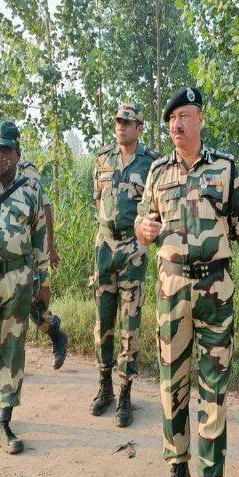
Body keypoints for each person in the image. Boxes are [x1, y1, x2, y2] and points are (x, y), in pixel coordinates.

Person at [136, 87, 239, 477]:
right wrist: (143, 229)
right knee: (172, 384)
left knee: (214, 388)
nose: (177, 124)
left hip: (217, 290)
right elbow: (143, 223)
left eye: (185, 116)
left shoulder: (225, 168)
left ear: (200, 119)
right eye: (172, 119)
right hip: (172, 289)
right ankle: (179, 476)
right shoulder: (157, 172)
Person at [0, 121, 50, 455]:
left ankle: (4, 421)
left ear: (18, 153)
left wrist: (44, 282)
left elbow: (40, 238)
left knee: (12, 349)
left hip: (18, 278)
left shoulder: (30, 188)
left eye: (6, 149)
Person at [89, 103, 161, 427]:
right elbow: (97, 200)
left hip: (133, 249)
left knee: (129, 324)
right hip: (104, 246)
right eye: (118, 121)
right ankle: (104, 386)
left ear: (139, 128)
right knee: (103, 321)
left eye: (127, 122)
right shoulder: (102, 159)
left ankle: (125, 393)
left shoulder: (151, 163)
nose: (121, 126)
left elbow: (157, 208)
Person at [17, 155, 69, 369]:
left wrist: (50, 246)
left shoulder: (25, 170)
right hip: (2, 253)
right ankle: (9, 364)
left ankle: (56, 334)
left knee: (35, 307)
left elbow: (44, 207)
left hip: (28, 252)